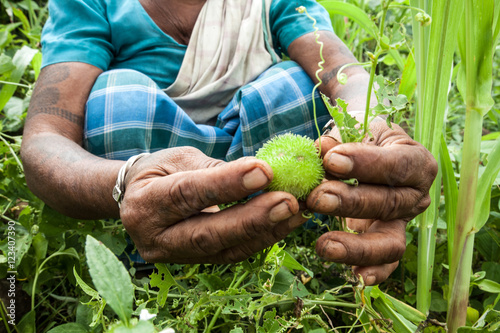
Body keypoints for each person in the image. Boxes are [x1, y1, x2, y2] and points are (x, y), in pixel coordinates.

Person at [20, 0, 437, 286]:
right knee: (118, 100)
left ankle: (298, 243)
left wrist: (374, 135)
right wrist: (126, 180)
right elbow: (45, 141)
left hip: (266, 172)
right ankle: (148, 264)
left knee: (298, 86)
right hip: (157, 174)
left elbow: (347, 76)